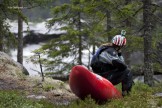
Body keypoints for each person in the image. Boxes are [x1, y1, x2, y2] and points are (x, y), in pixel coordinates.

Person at [90, 30, 133, 96]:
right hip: (104, 77)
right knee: (127, 72)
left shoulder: (105, 48)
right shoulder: (110, 51)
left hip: (99, 75)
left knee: (125, 70)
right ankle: (126, 95)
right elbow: (121, 65)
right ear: (120, 46)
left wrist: (119, 54)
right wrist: (120, 55)